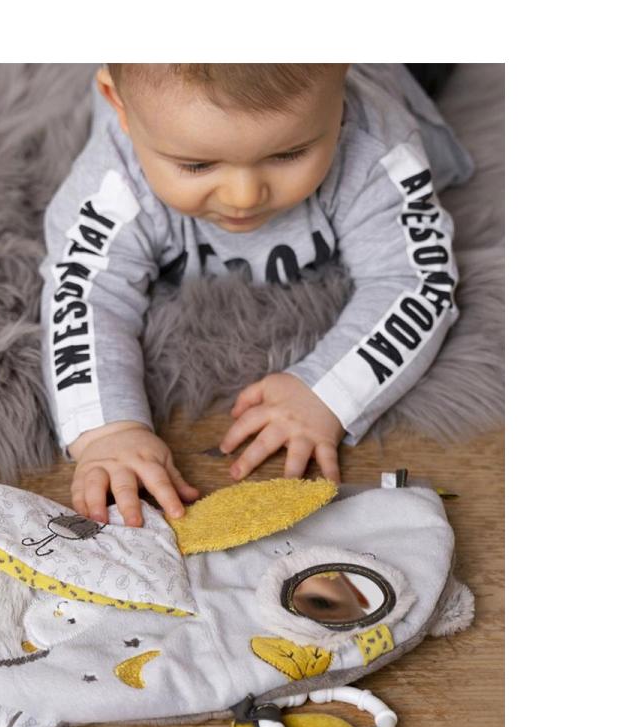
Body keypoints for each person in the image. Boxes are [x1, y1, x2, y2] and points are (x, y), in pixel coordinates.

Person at [39, 63, 473, 528]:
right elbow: (84, 297)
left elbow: (416, 280)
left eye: (289, 153)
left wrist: (326, 390)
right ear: (120, 106)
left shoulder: (374, 153)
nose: (244, 196)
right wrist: (109, 432)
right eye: (197, 165)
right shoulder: (115, 178)